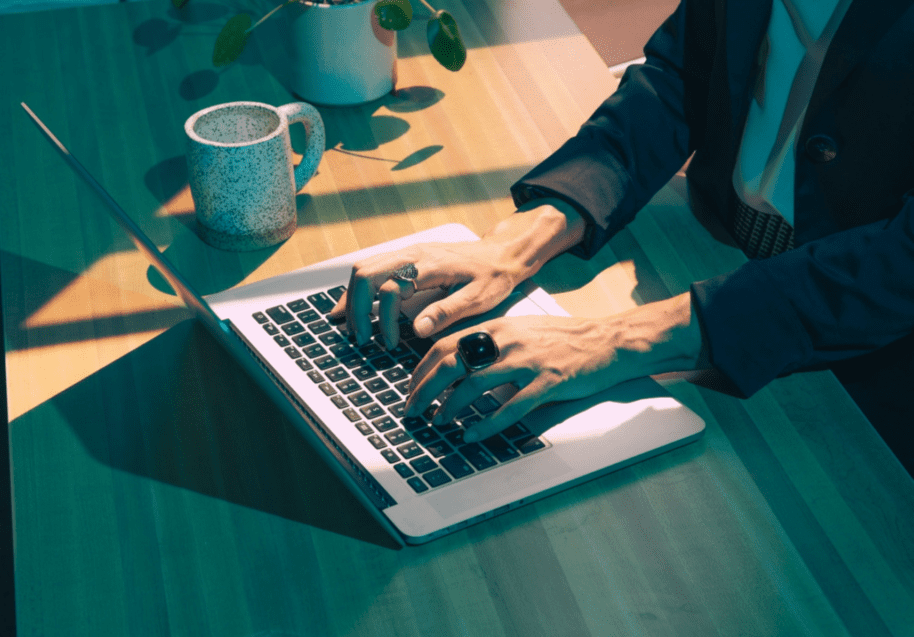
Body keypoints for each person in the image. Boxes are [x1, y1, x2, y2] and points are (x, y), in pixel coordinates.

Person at [330, 0, 914, 468]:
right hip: (714, 248)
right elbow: (682, 76)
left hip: (863, 379)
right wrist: (519, 240)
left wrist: (614, 338)